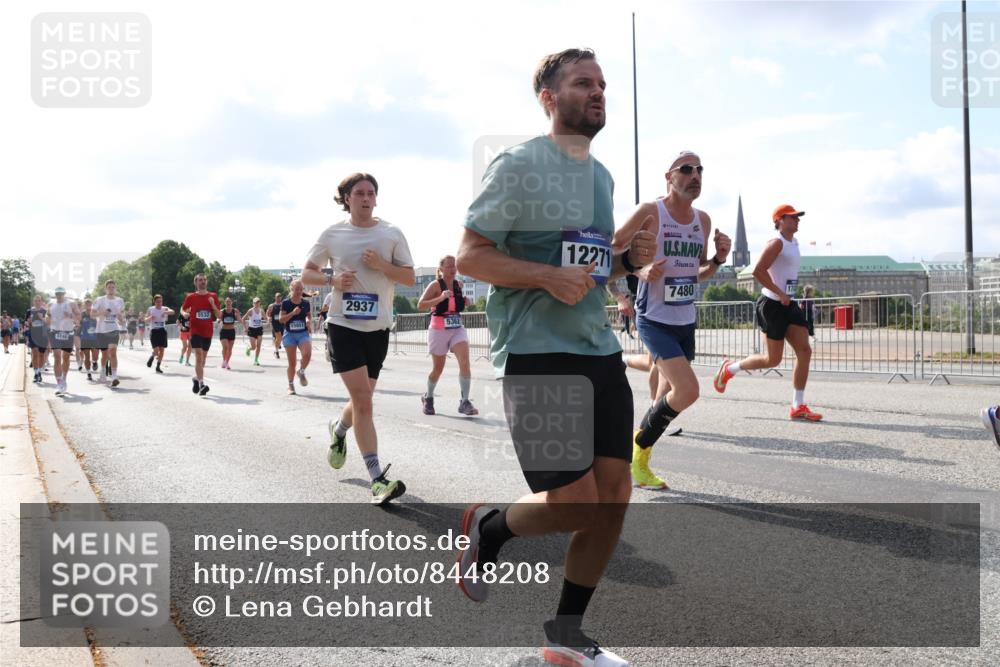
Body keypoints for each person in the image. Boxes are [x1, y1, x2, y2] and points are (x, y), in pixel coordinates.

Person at [454, 48, 658, 667]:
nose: (596, 92)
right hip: (536, 352)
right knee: (574, 505)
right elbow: (469, 256)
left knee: (614, 495)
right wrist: (544, 277)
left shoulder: (600, 176)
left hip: (597, 350)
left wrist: (629, 261)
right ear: (548, 96)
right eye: (581, 83)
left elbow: (589, 269)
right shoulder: (518, 165)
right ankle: (489, 529)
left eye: (601, 84)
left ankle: (565, 636)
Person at [611, 151, 731, 490]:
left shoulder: (703, 221)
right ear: (669, 176)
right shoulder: (651, 212)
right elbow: (611, 250)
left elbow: (700, 273)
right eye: (687, 169)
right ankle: (638, 452)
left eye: (700, 170)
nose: (695, 175)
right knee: (688, 390)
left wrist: (719, 260)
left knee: (664, 399)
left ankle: (639, 459)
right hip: (654, 319)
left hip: (685, 321)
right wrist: (638, 268)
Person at [301, 171, 416, 505]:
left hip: (377, 329)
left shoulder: (391, 233)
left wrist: (382, 264)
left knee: (361, 400)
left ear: (376, 198)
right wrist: (332, 279)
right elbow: (307, 273)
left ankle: (338, 429)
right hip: (343, 326)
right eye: (359, 192)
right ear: (347, 198)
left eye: (371, 192)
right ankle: (377, 479)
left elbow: (409, 277)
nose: (366, 198)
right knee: (365, 401)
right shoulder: (333, 234)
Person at [714, 204, 822, 421]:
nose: (797, 220)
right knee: (772, 360)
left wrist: (786, 295)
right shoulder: (776, 243)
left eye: (798, 217)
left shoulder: (794, 242)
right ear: (779, 221)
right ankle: (730, 369)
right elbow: (757, 271)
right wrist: (779, 292)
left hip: (788, 304)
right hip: (772, 304)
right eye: (792, 217)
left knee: (805, 351)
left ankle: (797, 406)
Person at [416, 255, 479, 416]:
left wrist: (465, 301)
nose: (452, 269)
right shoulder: (435, 285)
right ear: (441, 268)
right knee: (438, 369)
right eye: (449, 266)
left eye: (454, 266)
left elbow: (455, 304)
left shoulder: (458, 284)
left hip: (457, 327)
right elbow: (420, 305)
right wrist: (440, 297)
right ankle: (428, 397)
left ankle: (464, 402)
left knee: (465, 362)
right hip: (438, 330)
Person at [180, 273, 220, 396]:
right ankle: (202, 384)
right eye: (200, 280)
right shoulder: (191, 297)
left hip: (208, 332)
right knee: (198, 356)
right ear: (195, 283)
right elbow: (182, 308)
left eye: (204, 280)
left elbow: (219, 315)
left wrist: (213, 304)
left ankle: (196, 378)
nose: (202, 282)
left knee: (203, 360)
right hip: (195, 331)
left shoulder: (213, 296)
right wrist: (184, 314)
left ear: (206, 282)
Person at [278, 280, 313, 394]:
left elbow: (308, 316)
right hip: (290, 334)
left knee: (307, 355)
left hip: (303, 333)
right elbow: (281, 319)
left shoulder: (306, 303)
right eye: (296, 289)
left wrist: (308, 322)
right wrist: (292, 313)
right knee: (292, 363)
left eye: (301, 289)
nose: (299, 291)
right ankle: (290, 385)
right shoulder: (286, 303)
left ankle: (301, 371)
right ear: (291, 289)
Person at [46, 287, 80, 396]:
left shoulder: (71, 304)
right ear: (55, 294)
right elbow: (48, 316)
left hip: (67, 332)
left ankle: (64, 378)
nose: (59, 295)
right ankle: (59, 384)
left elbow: (78, 318)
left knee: (65, 357)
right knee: (56, 357)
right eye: (57, 294)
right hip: (55, 332)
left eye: (61, 293)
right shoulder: (51, 304)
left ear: (64, 294)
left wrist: (70, 315)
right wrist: (48, 317)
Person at [91, 280, 125, 387]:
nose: (111, 289)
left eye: (113, 287)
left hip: (114, 329)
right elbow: (92, 314)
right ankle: (103, 370)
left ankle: (114, 376)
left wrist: (121, 319)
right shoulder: (99, 300)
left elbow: (120, 315)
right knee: (105, 354)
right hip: (101, 330)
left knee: (113, 352)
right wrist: (103, 313)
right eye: (109, 287)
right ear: (105, 289)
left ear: (115, 288)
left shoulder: (119, 300)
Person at [146, 295, 174, 373]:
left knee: (162, 350)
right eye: (158, 302)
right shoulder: (151, 309)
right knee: (156, 350)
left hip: (162, 331)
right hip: (154, 331)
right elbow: (145, 320)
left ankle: (158, 366)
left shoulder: (164, 308)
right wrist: (150, 318)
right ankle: (152, 357)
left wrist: (166, 312)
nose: (159, 303)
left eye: (161, 301)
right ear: (154, 302)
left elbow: (173, 312)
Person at [26, 295, 49, 384]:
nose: (37, 302)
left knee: (41, 354)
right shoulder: (29, 311)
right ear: (33, 302)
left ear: (41, 302)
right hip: (33, 334)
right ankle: (36, 373)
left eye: (39, 300)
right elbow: (26, 323)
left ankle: (39, 371)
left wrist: (41, 318)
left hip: (42, 335)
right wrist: (29, 321)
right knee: (35, 353)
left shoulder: (44, 311)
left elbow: (48, 322)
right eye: (35, 301)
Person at [218, 297, 242, 370]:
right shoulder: (222, 311)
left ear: (231, 302)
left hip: (231, 331)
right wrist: (219, 320)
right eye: (227, 302)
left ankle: (226, 362)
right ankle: (224, 360)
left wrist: (238, 315)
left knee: (230, 349)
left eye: (229, 301)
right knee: (225, 347)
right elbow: (218, 318)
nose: (228, 303)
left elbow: (239, 320)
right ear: (225, 303)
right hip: (224, 331)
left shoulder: (235, 311)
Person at [79, 299, 99, 381]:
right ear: (84, 305)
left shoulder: (95, 312)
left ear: (92, 305)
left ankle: (94, 362)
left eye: (90, 304)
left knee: (95, 355)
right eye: (86, 304)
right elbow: (78, 322)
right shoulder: (82, 314)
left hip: (95, 338)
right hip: (85, 338)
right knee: (87, 357)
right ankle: (88, 373)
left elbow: (100, 322)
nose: (88, 305)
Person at [242, 297, 266, 366]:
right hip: (252, 329)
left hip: (259, 329)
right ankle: (249, 348)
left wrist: (268, 321)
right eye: (255, 302)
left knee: (259, 346)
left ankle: (256, 360)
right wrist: (246, 328)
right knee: (254, 347)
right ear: (253, 303)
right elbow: (243, 319)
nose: (257, 304)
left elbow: (265, 318)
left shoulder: (261, 311)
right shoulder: (250, 311)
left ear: (260, 303)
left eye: (258, 302)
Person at [265, 292, 284, 359]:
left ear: (281, 297)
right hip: (275, 323)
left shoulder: (283, 304)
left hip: (282, 322)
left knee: (280, 337)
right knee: (278, 337)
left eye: (280, 296)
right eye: (277, 297)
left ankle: (276, 345)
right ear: (275, 297)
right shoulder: (272, 305)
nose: (279, 298)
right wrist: (268, 318)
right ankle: (276, 351)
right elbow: (267, 313)